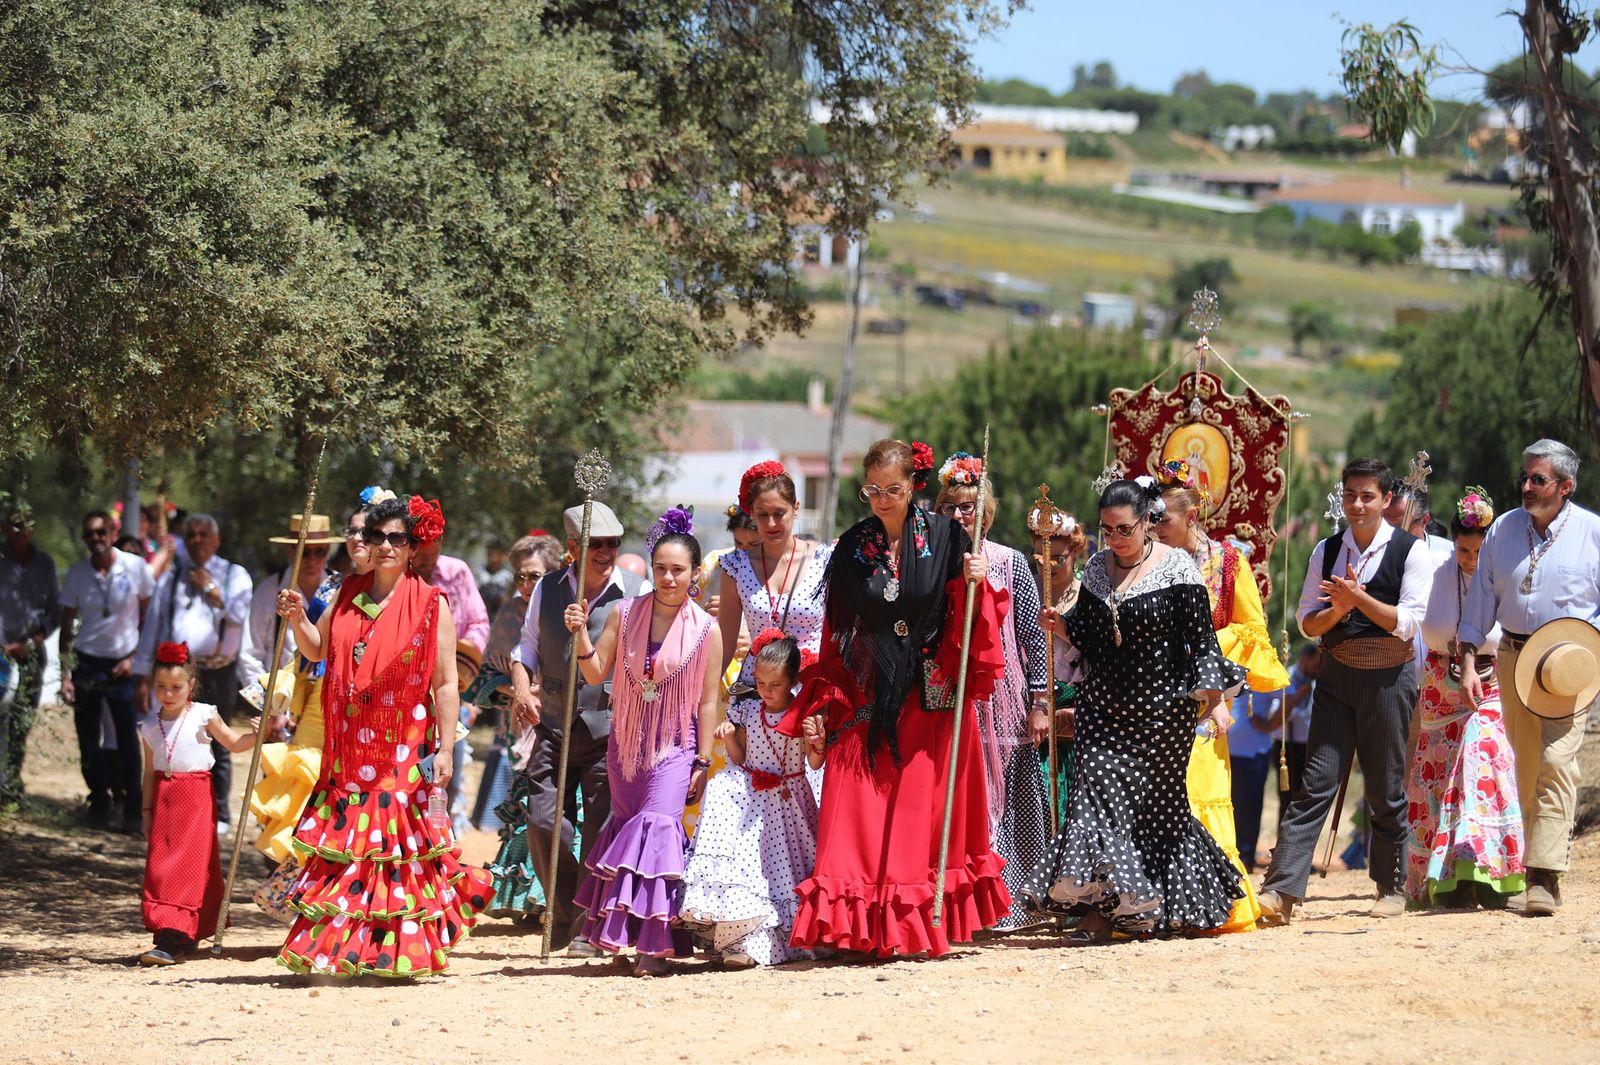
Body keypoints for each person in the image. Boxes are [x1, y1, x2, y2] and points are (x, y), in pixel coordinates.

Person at [779, 439, 1010, 959]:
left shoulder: (949, 536)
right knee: (861, 805)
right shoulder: (851, 546)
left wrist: (976, 582)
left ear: (914, 487)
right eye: (873, 490)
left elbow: (969, 620)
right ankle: (857, 926)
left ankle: (915, 924)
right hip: (870, 687)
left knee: (918, 813)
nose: (882, 499)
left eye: (894, 489)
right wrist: (833, 696)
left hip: (930, 691)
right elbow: (839, 626)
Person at [272, 494, 490, 977]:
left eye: (397, 538)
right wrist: (297, 619)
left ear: (414, 547)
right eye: (377, 537)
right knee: (351, 843)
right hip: (349, 745)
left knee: (391, 842)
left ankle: (393, 948)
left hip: (403, 746)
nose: (387, 546)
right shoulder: (347, 592)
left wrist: (448, 747)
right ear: (366, 543)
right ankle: (344, 949)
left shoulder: (433, 604)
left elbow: (447, 683)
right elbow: (317, 648)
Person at [1023, 478, 1245, 943]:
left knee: (1155, 812)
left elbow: (1200, 642)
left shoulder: (1178, 569)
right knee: (1094, 802)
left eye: (1124, 529)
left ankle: (1156, 906)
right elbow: (1090, 635)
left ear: (1148, 522)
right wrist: (1061, 625)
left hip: (1162, 716)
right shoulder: (1098, 569)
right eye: (1107, 531)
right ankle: (1100, 915)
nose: (1115, 540)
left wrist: (1215, 702)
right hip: (1103, 710)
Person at [1258, 458, 1433, 925]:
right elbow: (1307, 622)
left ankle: (1390, 887)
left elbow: (1409, 622)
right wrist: (1338, 611)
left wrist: (1359, 600)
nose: (1357, 504)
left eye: (1368, 496)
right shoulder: (1327, 550)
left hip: (1388, 683)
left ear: (1387, 500)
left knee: (1384, 784)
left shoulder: (1409, 552)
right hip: (1335, 680)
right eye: (1351, 494)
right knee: (1316, 781)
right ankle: (1281, 890)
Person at [564, 507, 723, 976]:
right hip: (626, 745)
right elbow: (595, 672)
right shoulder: (624, 612)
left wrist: (702, 760)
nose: (668, 578)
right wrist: (578, 634)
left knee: (655, 829)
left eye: (678, 570)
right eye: (660, 569)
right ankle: (635, 938)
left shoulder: (707, 630)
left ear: (695, 574)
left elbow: (708, 701)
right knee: (630, 827)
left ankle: (654, 949)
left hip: (675, 745)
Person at [1459, 439, 1600, 916]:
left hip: (1570, 665)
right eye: (1525, 477)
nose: (1526, 486)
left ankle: (1545, 878)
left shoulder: (1592, 532)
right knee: (1523, 769)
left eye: (1537, 479)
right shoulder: (1503, 528)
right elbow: (1481, 598)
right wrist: (1467, 661)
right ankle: (1523, 871)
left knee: (1558, 763)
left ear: (1565, 486)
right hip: (1513, 658)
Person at [1152, 461, 1288, 932]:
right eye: (1150, 519)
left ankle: (1214, 904)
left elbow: (1251, 628)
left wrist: (1201, 653)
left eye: (1162, 519)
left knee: (1201, 792)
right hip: (1154, 696)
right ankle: (1158, 905)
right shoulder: (1146, 562)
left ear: (1191, 518)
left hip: (1207, 697)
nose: (1154, 528)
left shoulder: (1228, 563)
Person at [509, 501, 646, 954]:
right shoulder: (548, 589)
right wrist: (522, 686)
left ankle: (589, 923)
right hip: (551, 722)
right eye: (597, 544)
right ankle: (566, 910)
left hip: (609, 726)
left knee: (600, 828)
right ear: (573, 548)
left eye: (613, 544)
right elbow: (526, 647)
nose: (607, 552)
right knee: (544, 821)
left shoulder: (636, 592)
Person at [933, 451, 1050, 933]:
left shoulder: (1010, 562)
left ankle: (1010, 905)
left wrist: (1041, 702)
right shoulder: (930, 563)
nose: (960, 515)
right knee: (959, 797)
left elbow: (1030, 635)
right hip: (950, 696)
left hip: (1003, 700)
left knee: (1008, 797)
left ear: (985, 512)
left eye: (968, 506)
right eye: (951, 507)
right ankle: (962, 906)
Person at [246, 500, 376, 919]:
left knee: (351, 816)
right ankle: (298, 904)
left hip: (364, 716)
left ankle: (345, 907)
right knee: (295, 807)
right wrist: (276, 702)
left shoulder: (387, 590)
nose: (358, 538)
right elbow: (307, 652)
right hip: (313, 708)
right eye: (354, 531)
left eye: (367, 531)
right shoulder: (325, 592)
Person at [1405, 487, 1526, 908]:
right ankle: (1448, 880)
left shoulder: (1505, 575)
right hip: (1441, 687)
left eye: (1477, 551)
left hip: (1492, 682)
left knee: (1481, 753)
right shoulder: (1437, 572)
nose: (1470, 559)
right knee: (1437, 774)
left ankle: (1491, 873)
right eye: (1462, 550)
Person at [680, 629, 819, 968]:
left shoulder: (804, 714)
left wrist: (818, 743)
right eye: (760, 683)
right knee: (749, 874)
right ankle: (741, 946)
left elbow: (815, 763)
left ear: (791, 681)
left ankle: (782, 942)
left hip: (791, 806)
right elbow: (741, 759)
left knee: (785, 875)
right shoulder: (748, 712)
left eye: (775, 685)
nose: (767, 692)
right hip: (755, 806)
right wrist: (728, 739)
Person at [136, 641, 260, 966]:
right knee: (161, 868)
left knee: (188, 867)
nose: (168, 693)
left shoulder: (205, 714)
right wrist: (146, 811)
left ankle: (171, 938)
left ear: (191, 684)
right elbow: (149, 773)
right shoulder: (149, 726)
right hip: (164, 800)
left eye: (176, 687)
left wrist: (256, 735)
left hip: (196, 799)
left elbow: (233, 744)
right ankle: (179, 933)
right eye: (161, 686)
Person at [133, 514, 254, 830]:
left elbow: (242, 613)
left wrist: (211, 587)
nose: (198, 540)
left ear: (216, 540)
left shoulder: (234, 574)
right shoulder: (172, 579)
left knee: (219, 738)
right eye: (192, 535)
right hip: (178, 675)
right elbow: (154, 627)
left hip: (219, 669)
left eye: (204, 534)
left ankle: (221, 814)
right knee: (179, 737)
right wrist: (143, 675)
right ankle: (175, 809)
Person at [480, 535, 567, 924]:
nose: (527, 585)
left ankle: (559, 899)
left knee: (564, 813)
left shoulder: (569, 610)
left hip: (566, 722)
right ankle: (526, 902)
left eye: (535, 576)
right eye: (520, 577)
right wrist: (517, 689)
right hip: (522, 728)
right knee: (529, 813)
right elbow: (480, 680)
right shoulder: (507, 617)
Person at [60, 509, 154, 831]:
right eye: (89, 534)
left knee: (128, 738)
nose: (95, 539)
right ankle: (99, 800)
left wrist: (137, 659)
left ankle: (132, 807)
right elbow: (65, 627)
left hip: (122, 664)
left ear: (113, 534)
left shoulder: (135, 567)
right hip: (87, 663)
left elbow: (149, 618)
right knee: (88, 737)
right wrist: (65, 674)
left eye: (101, 532)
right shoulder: (77, 574)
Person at [1030, 509, 1089, 827]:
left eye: (1056, 558)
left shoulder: (1089, 596)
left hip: (1075, 709)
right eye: (1039, 557)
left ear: (1076, 550)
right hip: (1035, 709)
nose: (1046, 566)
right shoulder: (1027, 592)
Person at [1, 498, 59, 808]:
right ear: (4, 528)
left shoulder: (45, 563)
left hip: (30, 655)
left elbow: (53, 611)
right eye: (15, 524)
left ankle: (10, 785)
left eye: (27, 525)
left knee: (21, 722)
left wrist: (32, 642)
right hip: (0, 653)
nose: (22, 530)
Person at [1228, 687, 1282, 872]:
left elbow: (1288, 696)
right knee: (1226, 806)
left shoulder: (1262, 674)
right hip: (1223, 753)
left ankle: (1245, 858)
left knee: (1249, 807)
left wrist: (1270, 725)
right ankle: (1225, 857)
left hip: (1253, 752)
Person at [1270, 645, 1320, 829]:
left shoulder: (1319, 681)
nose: (1317, 669)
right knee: (1287, 799)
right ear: (1305, 659)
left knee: (1305, 799)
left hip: (1310, 748)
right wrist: (1297, 698)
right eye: (1315, 665)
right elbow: (1274, 716)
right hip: (1288, 746)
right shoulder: (1285, 678)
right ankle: (1282, 845)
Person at [478, 540, 514, 618]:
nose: (493, 558)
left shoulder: (507, 577)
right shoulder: (478, 573)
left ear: (503, 556)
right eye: (491, 554)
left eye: (497, 554)